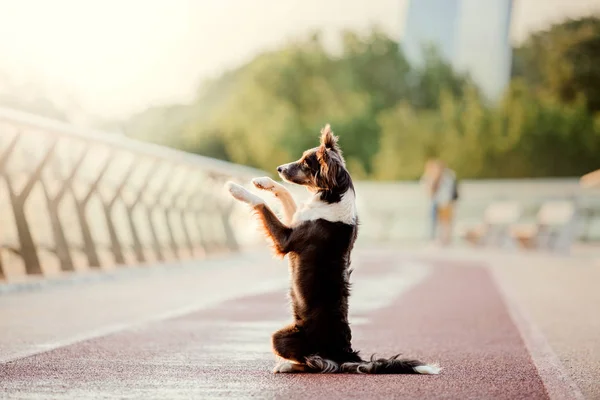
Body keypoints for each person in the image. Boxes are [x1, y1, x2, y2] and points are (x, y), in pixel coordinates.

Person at [420, 159, 458, 246]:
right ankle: (433, 239)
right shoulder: (429, 177)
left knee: (446, 223)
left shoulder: (448, 177)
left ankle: (445, 240)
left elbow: (450, 191)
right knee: (433, 221)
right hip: (435, 203)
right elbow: (428, 192)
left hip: (445, 203)